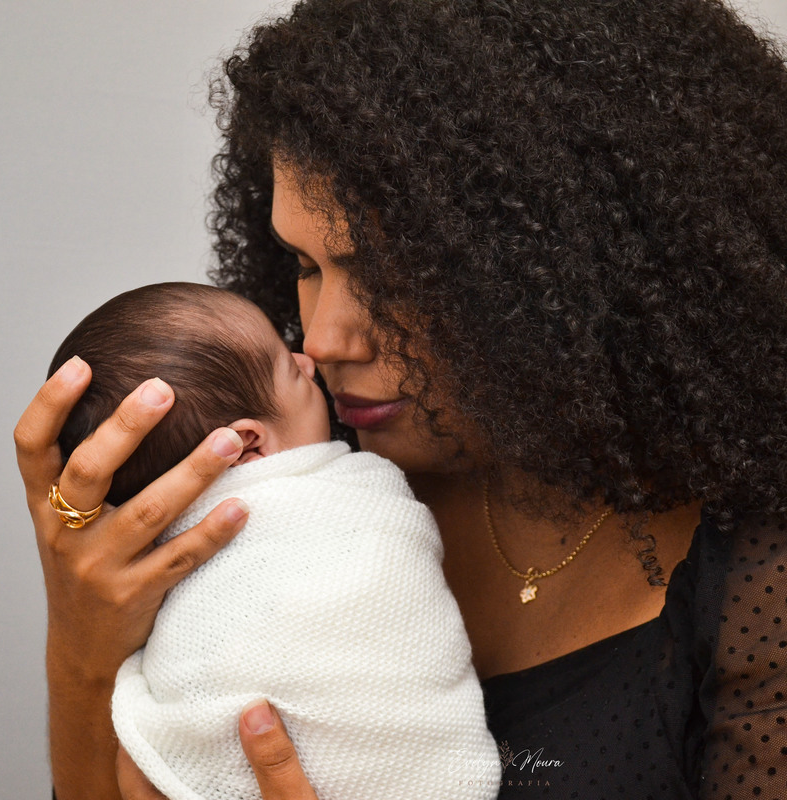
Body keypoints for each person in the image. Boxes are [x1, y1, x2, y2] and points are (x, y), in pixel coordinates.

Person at [14, 0, 787, 798]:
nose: (321, 339)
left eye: (396, 276)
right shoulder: (315, 490)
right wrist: (82, 650)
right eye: (305, 264)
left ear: (577, 264)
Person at [45, 282, 499, 800]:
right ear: (246, 443)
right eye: (305, 266)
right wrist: (76, 643)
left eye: (379, 275)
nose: (314, 354)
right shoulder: (359, 494)